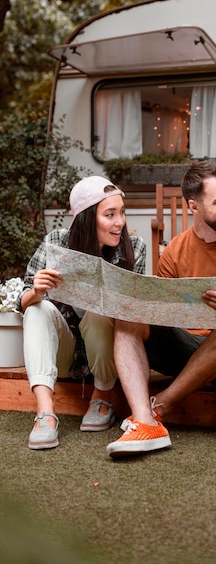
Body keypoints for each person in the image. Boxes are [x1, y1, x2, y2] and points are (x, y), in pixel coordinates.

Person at [106, 159, 216, 458]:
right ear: (194, 206)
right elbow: (157, 310)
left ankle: (160, 407)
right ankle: (144, 420)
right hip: (189, 350)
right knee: (128, 317)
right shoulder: (176, 249)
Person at [18, 175, 146, 450]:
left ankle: (102, 397)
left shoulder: (135, 247)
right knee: (37, 310)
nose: (120, 222)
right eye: (109, 214)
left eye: (121, 212)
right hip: (65, 350)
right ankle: (45, 413)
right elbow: (24, 300)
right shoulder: (56, 242)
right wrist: (36, 292)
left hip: (106, 351)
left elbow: (135, 312)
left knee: (100, 312)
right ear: (87, 218)